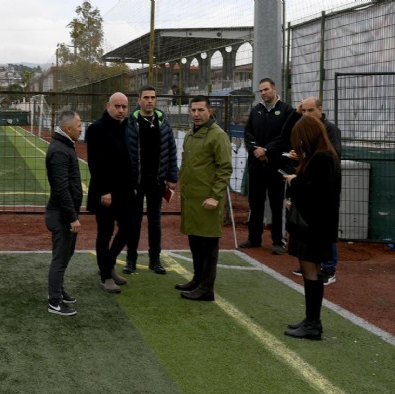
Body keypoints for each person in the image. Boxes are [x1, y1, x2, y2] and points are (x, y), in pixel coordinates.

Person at [282, 115, 341, 339]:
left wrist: (294, 181)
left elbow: (314, 193)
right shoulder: (326, 156)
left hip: (312, 226)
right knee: (311, 273)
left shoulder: (321, 158)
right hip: (317, 225)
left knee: (311, 273)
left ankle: (313, 323)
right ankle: (310, 320)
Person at [174, 95, 232, 301]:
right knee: (195, 242)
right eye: (193, 110)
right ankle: (197, 279)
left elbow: (225, 169)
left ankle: (207, 288)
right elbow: (188, 162)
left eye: (201, 110)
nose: (196, 114)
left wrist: (215, 196)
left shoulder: (218, 135)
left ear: (210, 111)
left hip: (208, 200)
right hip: (192, 199)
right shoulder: (191, 134)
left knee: (208, 246)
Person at [124, 85, 178, 275]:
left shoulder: (163, 121)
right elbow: (124, 153)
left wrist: (172, 177)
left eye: (152, 97)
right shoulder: (130, 122)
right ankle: (131, 259)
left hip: (157, 181)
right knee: (134, 221)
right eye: (146, 97)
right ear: (139, 100)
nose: (149, 100)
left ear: (156, 100)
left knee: (155, 222)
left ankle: (155, 260)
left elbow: (171, 150)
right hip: (136, 183)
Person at [86, 92, 134, 294]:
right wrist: (105, 190)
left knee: (129, 229)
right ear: (108, 106)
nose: (121, 110)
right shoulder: (96, 129)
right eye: (117, 106)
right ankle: (105, 276)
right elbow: (95, 163)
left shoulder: (127, 127)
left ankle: (109, 264)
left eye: (124, 106)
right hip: (105, 192)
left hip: (124, 191)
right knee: (105, 233)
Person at [291, 96, 341, 285]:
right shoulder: (306, 128)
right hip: (312, 190)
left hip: (323, 193)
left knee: (324, 227)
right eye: (303, 111)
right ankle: (312, 261)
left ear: (320, 110)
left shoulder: (329, 131)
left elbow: (332, 156)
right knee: (310, 226)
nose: (306, 115)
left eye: (310, 111)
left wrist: (305, 160)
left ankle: (328, 267)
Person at [241, 78, 295, 255]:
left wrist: (267, 150)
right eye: (261, 91)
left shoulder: (287, 110)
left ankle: (278, 241)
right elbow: (248, 133)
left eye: (265, 90)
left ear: (274, 89)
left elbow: (285, 137)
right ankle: (254, 238)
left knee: (277, 204)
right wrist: (256, 149)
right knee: (255, 202)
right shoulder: (256, 111)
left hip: (276, 166)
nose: (263, 93)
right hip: (256, 166)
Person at [45, 111, 83, 316]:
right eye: (78, 125)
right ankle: (54, 302)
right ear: (68, 129)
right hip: (61, 215)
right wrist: (72, 218)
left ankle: (58, 290)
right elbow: (61, 189)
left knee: (65, 255)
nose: (81, 128)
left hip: (64, 213)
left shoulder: (65, 146)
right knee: (60, 259)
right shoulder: (60, 150)